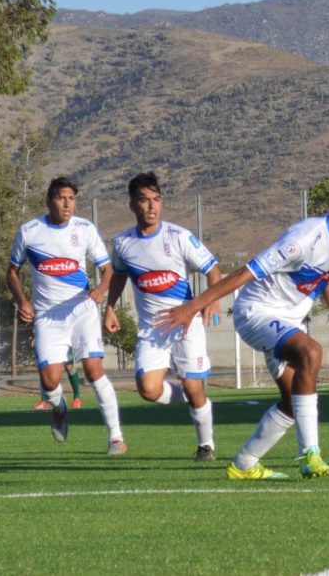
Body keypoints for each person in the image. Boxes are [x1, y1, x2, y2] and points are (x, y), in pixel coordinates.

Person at [157, 168, 329, 480]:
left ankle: (244, 464)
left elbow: (328, 277)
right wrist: (194, 306)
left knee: (294, 403)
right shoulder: (303, 239)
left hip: (288, 321)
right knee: (311, 353)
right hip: (256, 313)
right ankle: (310, 453)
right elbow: (244, 273)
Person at [104, 172, 222, 462]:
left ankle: (205, 445)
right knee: (148, 389)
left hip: (186, 324)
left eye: (156, 200)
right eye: (144, 201)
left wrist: (212, 301)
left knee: (194, 387)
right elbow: (118, 275)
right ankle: (194, 397)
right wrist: (109, 307)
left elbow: (212, 268)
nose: (151, 207)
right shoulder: (122, 243)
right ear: (132, 205)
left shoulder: (179, 236)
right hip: (152, 329)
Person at [7, 177, 126, 454]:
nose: (67, 203)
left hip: (82, 310)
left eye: (72, 198)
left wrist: (99, 290)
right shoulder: (30, 231)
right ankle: (59, 408)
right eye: (61, 198)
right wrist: (22, 301)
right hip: (48, 316)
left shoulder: (84, 229)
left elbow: (108, 269)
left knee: (94, 371)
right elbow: (12, 271)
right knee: (49, 382)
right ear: (49, 200)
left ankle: (116, 438)